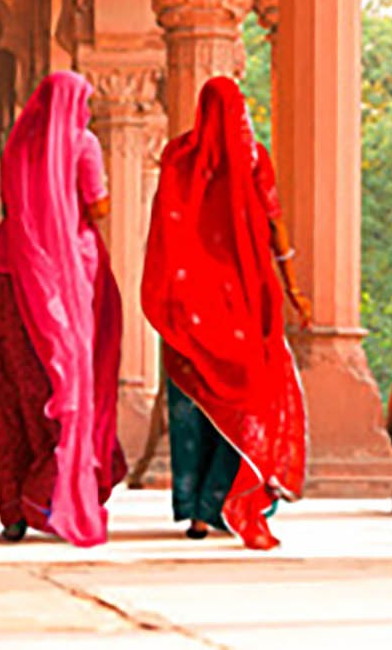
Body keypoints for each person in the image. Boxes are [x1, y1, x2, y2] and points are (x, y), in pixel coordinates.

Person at [142, 76, 310, 550]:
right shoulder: (253, 158)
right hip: (243, 297)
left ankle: (196, 513)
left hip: (189, 303)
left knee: (193, 404)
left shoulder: (178, 159)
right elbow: (276, 227)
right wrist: (295, 289)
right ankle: (232, 497)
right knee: (247, 397)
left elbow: (166, 226)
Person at [0, 71, 127, 546]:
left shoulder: (20, 144)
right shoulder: (83, 144)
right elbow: (98, 207)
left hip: (11, 275)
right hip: (63, 277)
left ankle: (12, 511)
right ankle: (48, 493)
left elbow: (16, 204)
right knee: (65, 384)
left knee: (11, 389)